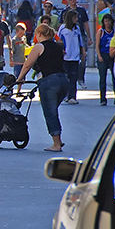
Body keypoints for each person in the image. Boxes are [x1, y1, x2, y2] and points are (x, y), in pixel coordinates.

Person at [16, 23, 69, 152]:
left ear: (39, 34)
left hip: (49, 81)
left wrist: (19, 79)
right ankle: (59, 139)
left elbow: (28, 64)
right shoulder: (58, 46)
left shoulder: (39, 46)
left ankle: (56, 144)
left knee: (50, 112)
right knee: (53, 111)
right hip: (63, 80)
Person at [59, 10, 85, 104]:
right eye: (75, 17)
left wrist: (83, 52)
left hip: (75, 56)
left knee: (74, 77)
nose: (76, 19)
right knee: (66, 77)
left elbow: (80, 41)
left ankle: (72, 96)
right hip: (66, 56)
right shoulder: (63, 28)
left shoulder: (77, 28)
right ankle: (65, 95)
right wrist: (61, 50)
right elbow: (59, 40)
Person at [95, 13, 115, 106]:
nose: (107, 23)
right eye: (106, 21)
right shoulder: (101, 31)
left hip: (112, 56)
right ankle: (103, 99)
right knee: (102, 78)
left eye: (109, 21)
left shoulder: (114, 32)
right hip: (103, 55)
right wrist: (99, 56)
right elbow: (97, 45)